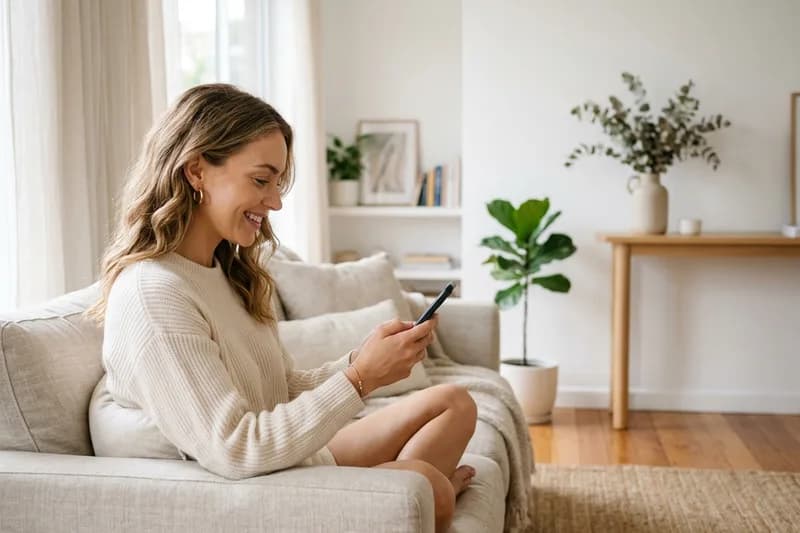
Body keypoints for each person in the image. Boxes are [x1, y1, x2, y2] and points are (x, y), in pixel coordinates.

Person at [87, 83, 477, 532]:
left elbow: (280, 387)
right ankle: (407, 500)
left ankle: (390, 502)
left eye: (277, 183)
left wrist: (361, 364)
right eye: (261, 180)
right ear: (197, 170)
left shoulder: (224, 270)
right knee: (429, 485)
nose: (274, 202)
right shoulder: (155, 293)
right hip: (252, 490)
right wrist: (360, 379)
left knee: (454, 402)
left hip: (285, 461)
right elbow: (234, 448)